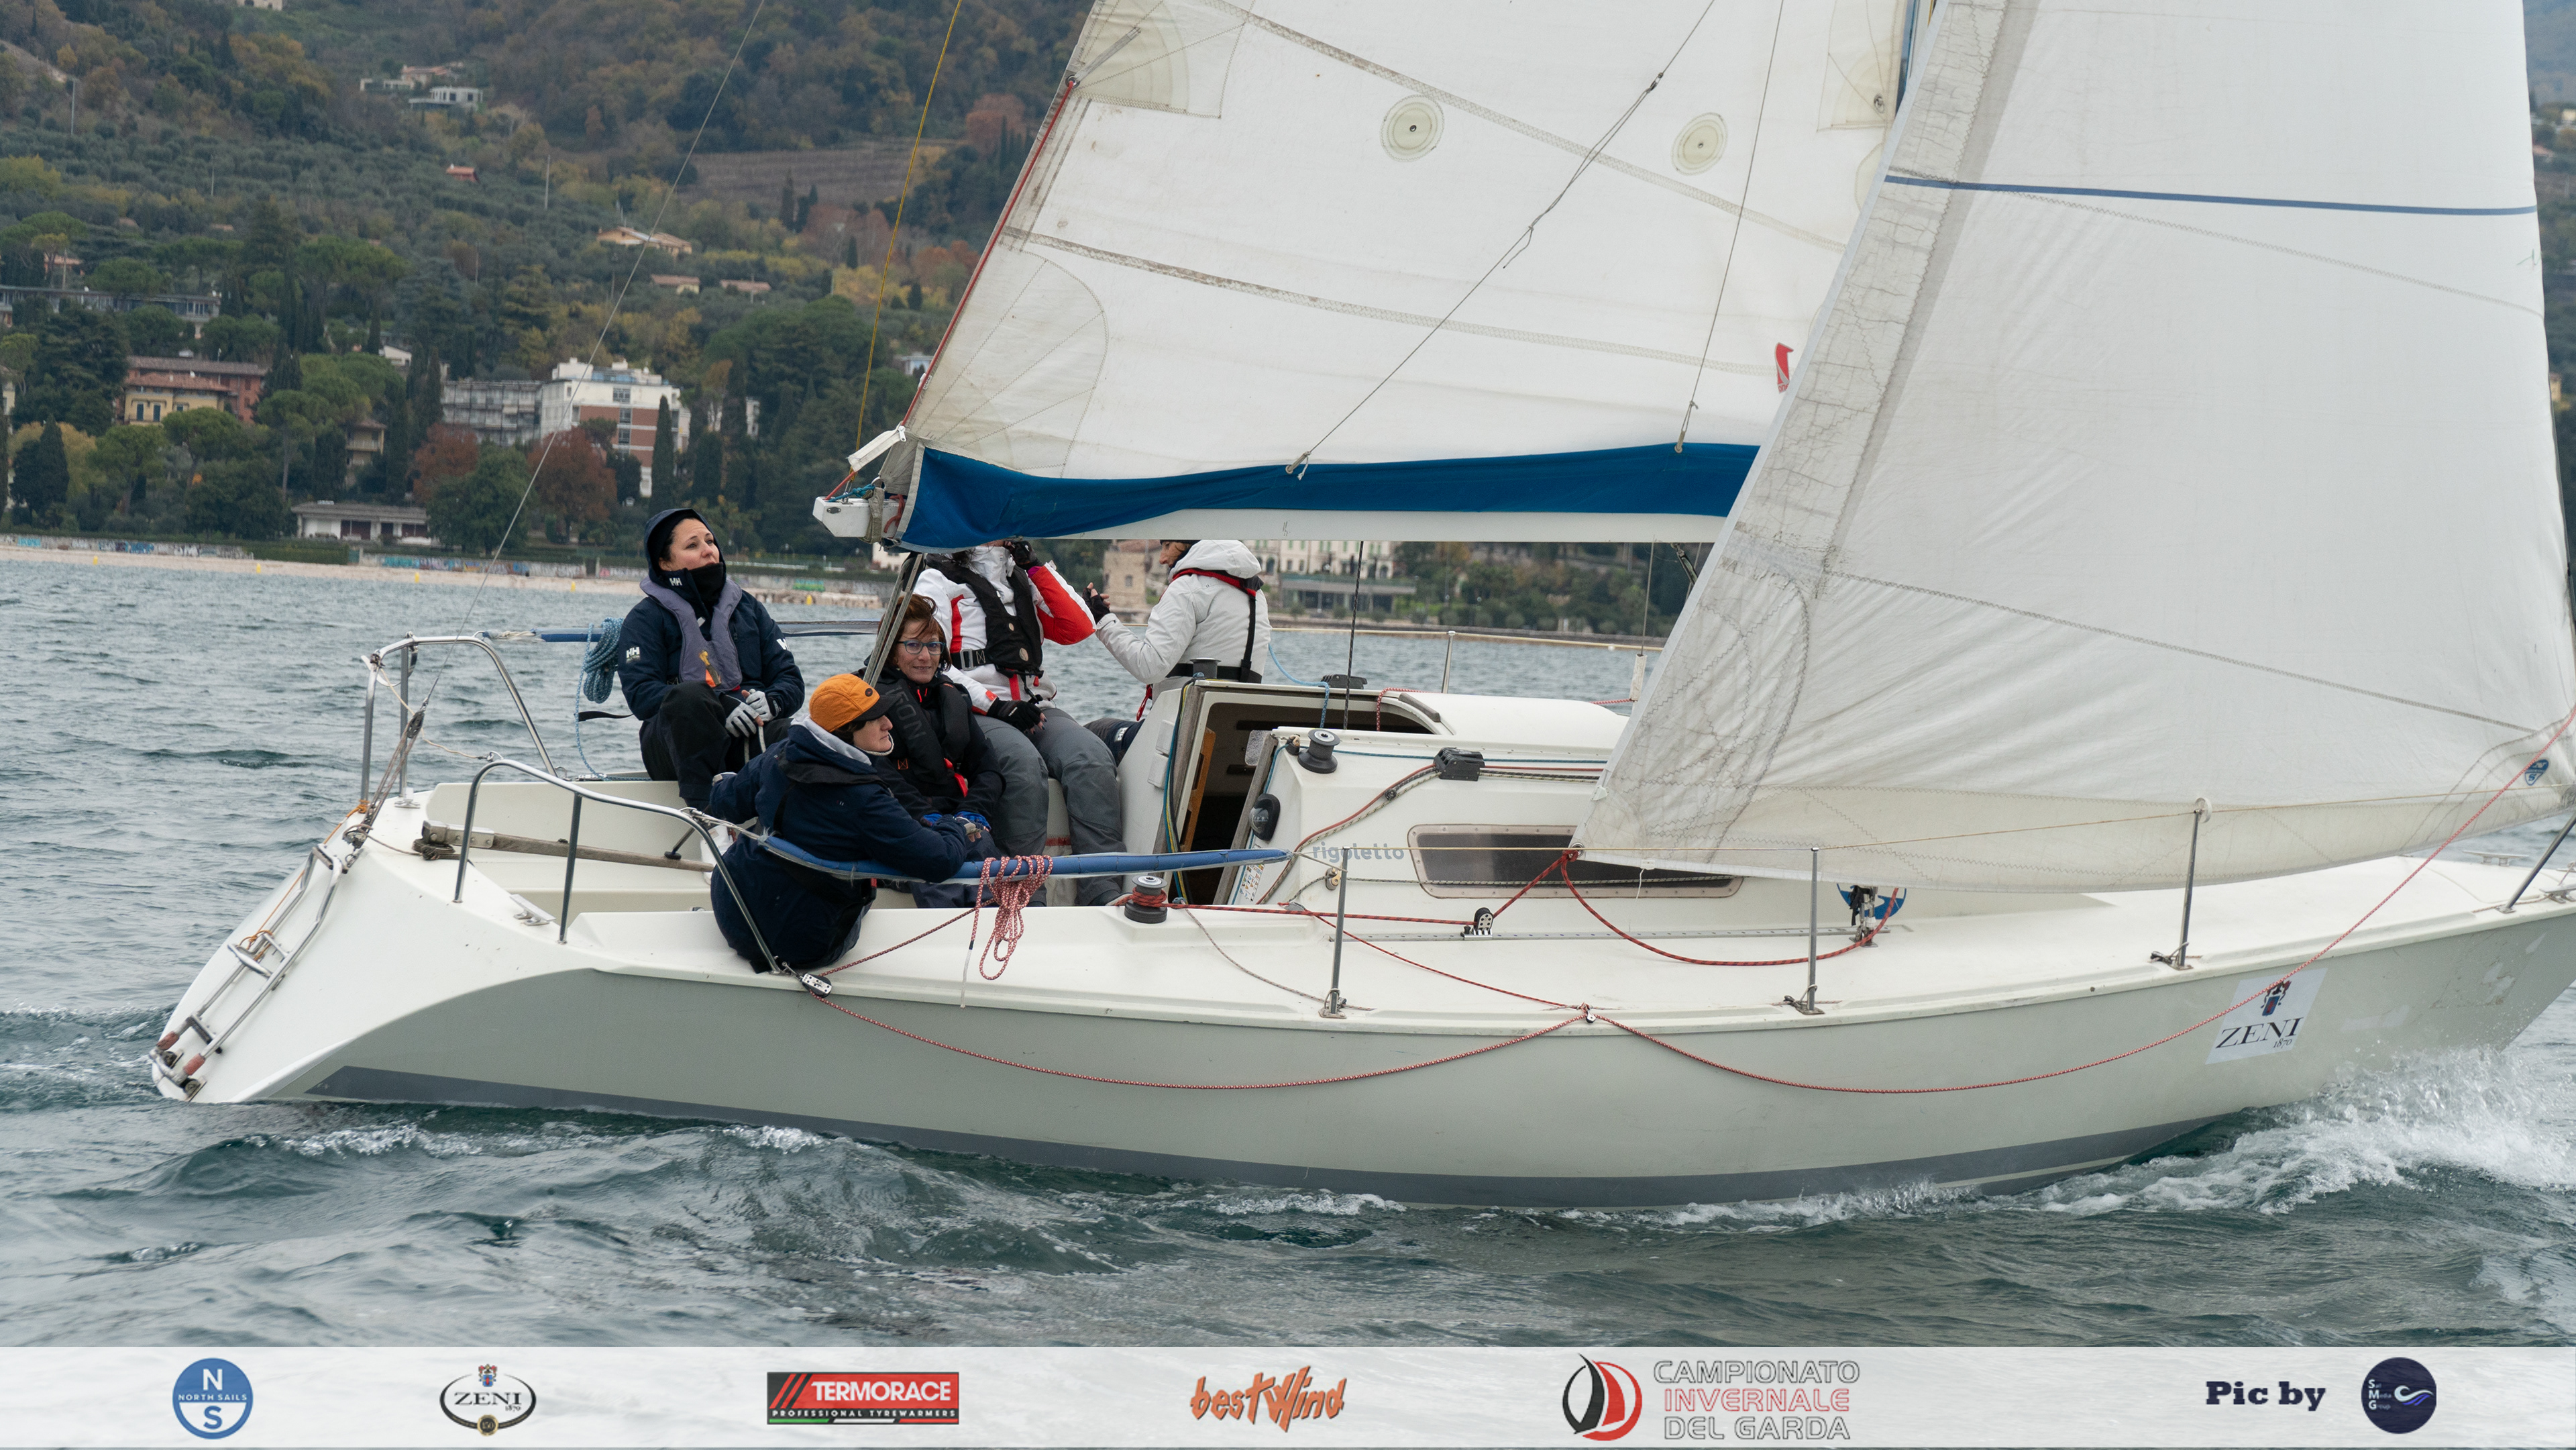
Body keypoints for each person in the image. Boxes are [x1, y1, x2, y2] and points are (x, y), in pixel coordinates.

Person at [704, 674, 973, 971]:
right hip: (802, 944)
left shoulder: (780, 754)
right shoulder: (865, 800)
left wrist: (725, 782)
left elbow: (724, 803)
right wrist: (954, 826)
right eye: (875, 718)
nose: (889, 724)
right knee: (870, 875)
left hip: (731, 907)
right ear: (846, 731)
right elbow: (941, 860)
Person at [912, 539, 1124, 905]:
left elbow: (1078, 626)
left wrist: (1036, 567)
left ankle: (1103, 891)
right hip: (975, 709)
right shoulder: (937, 580)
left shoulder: (1024, 577)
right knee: (1023, 767)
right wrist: (997, 706)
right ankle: (1026, 898)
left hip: (1033, 704)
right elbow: (937, 664)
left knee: (1090, 757)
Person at [617, 508, 804, 810]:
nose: (709, 551)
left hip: (746, 735)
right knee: (690, 698)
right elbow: (641, 695)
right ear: (664, 562)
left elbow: (790, 679)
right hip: (675, 744)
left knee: (796, 737)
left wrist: (773, 702)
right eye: (693, 546)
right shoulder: (645, 619)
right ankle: (705, 816)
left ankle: (793, 830)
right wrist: (719, 706)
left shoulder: (750, 610)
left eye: (710, 541)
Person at [874, 593, 1011, 909]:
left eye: (933, 645)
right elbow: (872, 771)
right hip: (903, 823)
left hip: (959, 819)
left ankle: (998, 935)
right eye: (914, 645)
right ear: (892, 653)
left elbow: (988, 769)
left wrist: (972, 811)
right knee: (933, 858)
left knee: (986, 855)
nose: (926, 656)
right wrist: (922, 816)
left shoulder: (953, 698)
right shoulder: (867, 698)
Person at [1083, 539, 1271, 688]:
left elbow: (1150, 667)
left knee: (1099, 729)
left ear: (1188, 545)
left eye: (1167, 546)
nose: (1162, 558)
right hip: (1241, 723)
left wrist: (1103, 620)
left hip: (1184, 724)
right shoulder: (1256, 595)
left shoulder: (1186, 588)